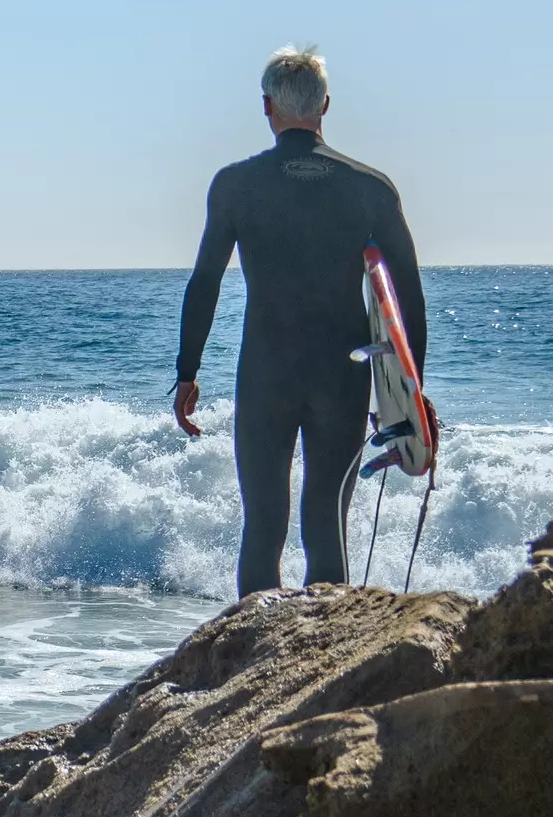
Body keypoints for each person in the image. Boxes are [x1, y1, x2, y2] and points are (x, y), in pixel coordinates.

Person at [173, 47, 428, 596]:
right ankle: (322, 665)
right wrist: (413, 388)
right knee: (327, 527)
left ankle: (252, 665)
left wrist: (187, 372)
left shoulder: (235, 185)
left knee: (263, 525)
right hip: (343, 372)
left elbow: (206, 282)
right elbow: (406, 292)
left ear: (267, 106)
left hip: (266, 371)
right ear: (326, 106)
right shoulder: (370, 187)